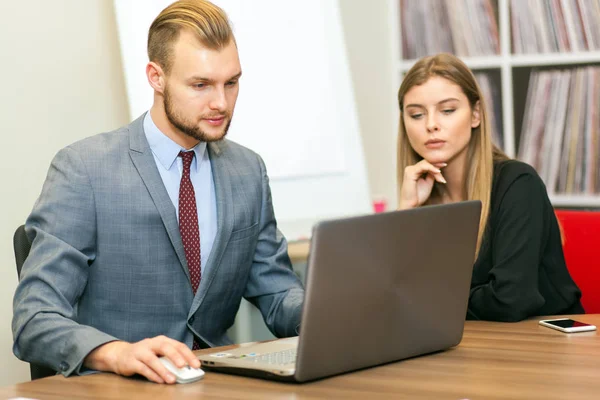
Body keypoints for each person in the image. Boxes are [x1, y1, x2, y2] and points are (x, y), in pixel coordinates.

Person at [12, 0, 304, 384]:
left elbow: (278, 293)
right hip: (123, 388)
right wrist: (115, 352)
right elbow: (34, 318)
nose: (221, 102)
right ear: (156, 77)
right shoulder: (84, 169)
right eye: (201, 85)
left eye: (231, 83)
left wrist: (333, 314)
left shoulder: (248, 170)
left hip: (220, 385)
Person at [396, 53, 583, 322]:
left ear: (475, 115)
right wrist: (406, 213)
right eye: (416, 114)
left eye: (447, 110)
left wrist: (429, 300)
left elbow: (510, 300)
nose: (430, 125)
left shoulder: (518, 183)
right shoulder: (419, 194)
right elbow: (395, 297)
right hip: (469, 346)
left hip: (545, 346)